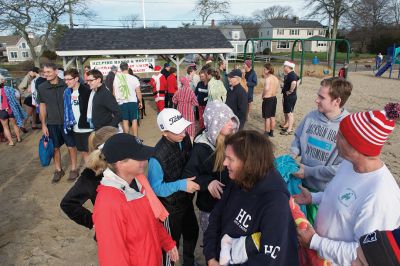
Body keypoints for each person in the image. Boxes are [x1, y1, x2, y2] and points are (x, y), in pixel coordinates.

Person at [295, 103, 400, 265]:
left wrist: (314, 242)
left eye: (341, 136)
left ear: (356, 147)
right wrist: (313, 198)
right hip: (318, 257)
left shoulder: (380, 196)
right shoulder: (348, 164)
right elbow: (339, 196)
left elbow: (365, 253)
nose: (335, 138)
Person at [203, 130, 299, 266]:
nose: (224, 163)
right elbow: (216, 216)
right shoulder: (239, 177)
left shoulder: (275, 201)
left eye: (230, 159)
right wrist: (210, 256)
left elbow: (269, 258)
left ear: (248, 163)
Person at [93, 133, 179, 266]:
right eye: (139, 157)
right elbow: (113, 259)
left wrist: (167, 242)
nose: (145, 160)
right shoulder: (109, 204)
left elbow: (150, 220)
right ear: (121, 163)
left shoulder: (136, 183)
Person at [290, 77, 353, 224]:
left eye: (321, 97)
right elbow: (298, 138)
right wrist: (293, 153)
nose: (316, 100)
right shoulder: (311, 116)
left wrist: (309, 171)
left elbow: (341, 168)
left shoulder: (348, 127)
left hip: (325, 195)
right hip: (301, 185)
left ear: (337, 101)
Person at [148, 108, 200, 266]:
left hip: (186, 201)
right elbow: (156, 189)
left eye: (183, 128)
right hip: (170, 208)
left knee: (192, 232)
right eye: (178, 130)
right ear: (164, 132)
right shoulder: (156, 157)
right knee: (171, 243)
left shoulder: (183, 140)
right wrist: (181, 185)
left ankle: (189, 262)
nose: (183, 133)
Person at [183, 101, 239, 235]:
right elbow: (187, 175)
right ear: (215, 123)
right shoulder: (201, 148)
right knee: (212, 241)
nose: (231, 124)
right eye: (226, 121)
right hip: (210, 207)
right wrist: (207, 182)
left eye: (232, 119)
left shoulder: (231, 140)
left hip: (230, 204)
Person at [60, 126, 119, 229]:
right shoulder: (91, 175)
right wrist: (95, 222)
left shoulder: (125, 164)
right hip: (110, 233)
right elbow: (68, 203)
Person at [37, 63, 78, 182]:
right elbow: (42, 106)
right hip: (52, 123)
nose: (46, 75)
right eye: (44, 72)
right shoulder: (42, 87)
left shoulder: (66, 84)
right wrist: (43, 124)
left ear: (56, 71)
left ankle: (74, 169)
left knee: (71, 146)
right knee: (55, 147)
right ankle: (58, 170)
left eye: (48, 72)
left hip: (67, 122)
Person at [64, 68, 94, 163]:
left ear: (76, 79)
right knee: (83, 152)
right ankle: (90, 171)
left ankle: (97, 173)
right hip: (75, 127)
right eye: (65, 79)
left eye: (69, 79)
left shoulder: (87, 91)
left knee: (92, 152)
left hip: (87, 127)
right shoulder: (67, 92)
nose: (67, 82)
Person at [113, 62, 143, 136]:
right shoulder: (134, 78)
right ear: (128, 68)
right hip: (133, 102)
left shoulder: (117, 78)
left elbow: (114, 92)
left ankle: (127, 138)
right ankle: (135, 138)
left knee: (125, 121)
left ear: (120, 69)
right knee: (134, 120)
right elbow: (138, 92)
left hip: (122, 103)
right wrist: (140, 102)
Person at [0, 74, 26, 146]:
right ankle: (18, 138)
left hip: (1, 111)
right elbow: (17, 96)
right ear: (3, 81)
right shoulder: (10, 88)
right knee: (15, 124)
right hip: (11, 109)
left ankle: (11, 142)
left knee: (5, 127)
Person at [172, 76, 198, 140]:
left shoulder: (178, 91)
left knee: (181, 123)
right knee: (189, 124)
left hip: (180, 110)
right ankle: (190, 138)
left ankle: (181, 138)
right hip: (189, 110)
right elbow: (195, 103)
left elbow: (174, 101)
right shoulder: (191, 91)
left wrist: (180, 102)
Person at [280, 61, 299, 135]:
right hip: (287, 96)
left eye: (285, 66)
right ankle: (286, 124)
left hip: (290, 97)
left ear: (288, 67)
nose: (284, 68)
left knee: (289, 113)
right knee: (287, 111)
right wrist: (284, 87)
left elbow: (294, 83)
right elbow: (298, 80)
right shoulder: (289, 74)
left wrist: (290, 91)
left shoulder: (292, 75)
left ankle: (289, 130)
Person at [262, 63, 280, 137]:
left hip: (268, 98)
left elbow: (266, 89)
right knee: (272, 116)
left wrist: (263, 95)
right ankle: (271, 132)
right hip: (274, 98)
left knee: (267, 117)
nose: (263, 70)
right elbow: (277, 88)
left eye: (265, 69)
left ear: (268, 70)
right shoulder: (275, 78)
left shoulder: (268, 79)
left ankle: (266, 132)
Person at [22, 67, 40, 131]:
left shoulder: (34, 78)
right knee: (28, 113)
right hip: (30, 98)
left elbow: (29, 89)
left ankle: (33, 125)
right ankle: (23, 125)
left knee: (34, 113)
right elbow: (22, 88)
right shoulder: (29, 78)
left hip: (33, 97)